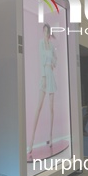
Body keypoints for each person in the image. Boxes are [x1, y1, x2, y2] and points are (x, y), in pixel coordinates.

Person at [27, 23, 57, 160]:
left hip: (50, 74)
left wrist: (53, 64)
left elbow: (54, 59)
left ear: (49, 33)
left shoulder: (51, 46)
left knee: (51, 108)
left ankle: (50, 137)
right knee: (38, 108)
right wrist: (44, 77)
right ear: (42, 32)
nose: (46, 33)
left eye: (47, 31)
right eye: (44, 31)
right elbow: (40, 60)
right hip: (44, 75)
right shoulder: (40, 43)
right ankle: (31, 142)